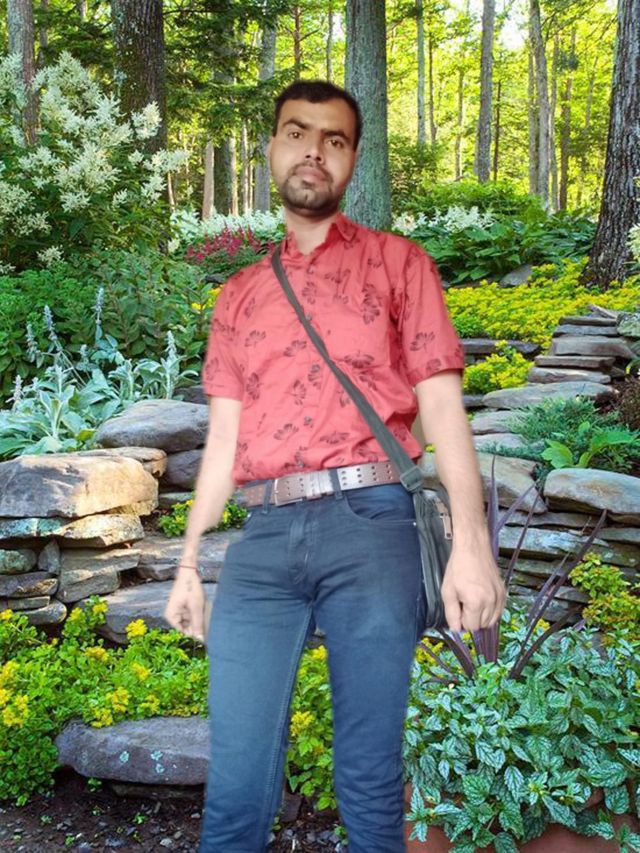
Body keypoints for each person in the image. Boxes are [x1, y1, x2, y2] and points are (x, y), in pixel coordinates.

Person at [164, 80, 507, 853]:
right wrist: (187, 562)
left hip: (372, 527)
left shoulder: (400, 265)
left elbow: (443, 412)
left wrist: (472, 547)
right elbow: (224, 442)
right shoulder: (238, 296)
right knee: (234, 787)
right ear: (271, 148)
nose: (313, 150)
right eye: (297, 132)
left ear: (352, 161)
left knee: (368, 779)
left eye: (335, 139)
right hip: (263, 539)